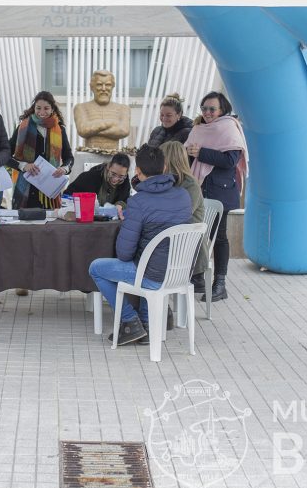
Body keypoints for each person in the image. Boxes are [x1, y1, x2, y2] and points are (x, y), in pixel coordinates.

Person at [87, 145, 192, 346]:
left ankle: (129, 321)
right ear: (165, 167)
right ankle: (147, 324)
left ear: (137, 171)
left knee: (97, 268)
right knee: (150, 261)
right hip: (179, 273)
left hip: (153, 275)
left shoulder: (138, 202)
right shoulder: (183, 196)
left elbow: (124, 253)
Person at [185, 91, 247, 303]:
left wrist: (201, 153)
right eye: (204, 109)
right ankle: (198, 277)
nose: (208, 113)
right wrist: (190, 152)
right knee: (195, 233)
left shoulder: (229, 127)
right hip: (199, 189)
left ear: (222, 110)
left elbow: (230, 159)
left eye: (212, 109)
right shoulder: (198, 128)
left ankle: (220, 284)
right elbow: (188, 155)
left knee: (218, 236)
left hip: (220, 191)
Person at [8, 91, 74, 210]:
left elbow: (69, 157)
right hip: (26, 192)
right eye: (38, 108)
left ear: (52, 109)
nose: (42, 112)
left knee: (49, 228)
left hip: (50, 191)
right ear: (34, 108)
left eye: (46, 108)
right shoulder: (23, 127)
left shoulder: (60, 130)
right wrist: (23, 165)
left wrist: (64, 169)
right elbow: (5, 155)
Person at [160, 140, 208, 295]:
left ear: (169, 161)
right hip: (173, 240)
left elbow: (180, 217)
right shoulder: (168, 181)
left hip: (186, 246)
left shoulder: (190, 184)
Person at [72, 70, 131, 152]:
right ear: (92, 87)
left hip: (115, 157)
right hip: (89, 156)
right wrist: (112, 123)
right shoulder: (81, 108)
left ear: (113, 87)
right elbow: (83, 130)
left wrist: (93, 131)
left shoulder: (123, 109)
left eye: (108, 85)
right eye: (99, 85)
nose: (104, 89)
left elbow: (124, 130)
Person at [65, 152, 132, 209]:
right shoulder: (91, 177)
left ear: (126, 173)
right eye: (113, 174)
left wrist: (120, 205)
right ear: (108, 166)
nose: (115, 179)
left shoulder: (125, 182)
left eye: (121, 176)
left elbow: (125, 200)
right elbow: (68, 195)